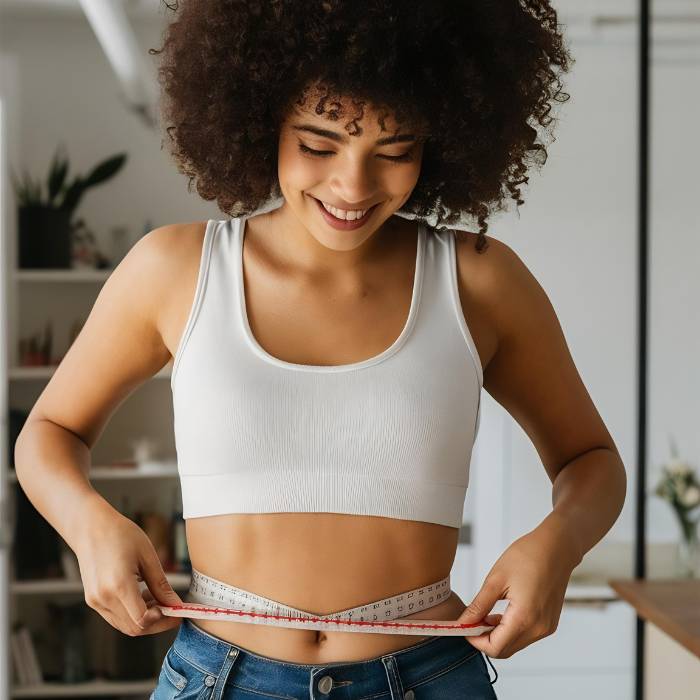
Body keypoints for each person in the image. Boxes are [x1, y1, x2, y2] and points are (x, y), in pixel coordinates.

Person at [14, 1, 627, 698]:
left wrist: (557, 546)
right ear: (260, 117)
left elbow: (592, 462)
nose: (353, 186)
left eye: (396, 151)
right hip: (220, 679)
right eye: (318, 143)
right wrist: (91, 526)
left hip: (428, 679)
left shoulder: (481, 282)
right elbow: (48, 435)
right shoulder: (175, 270)